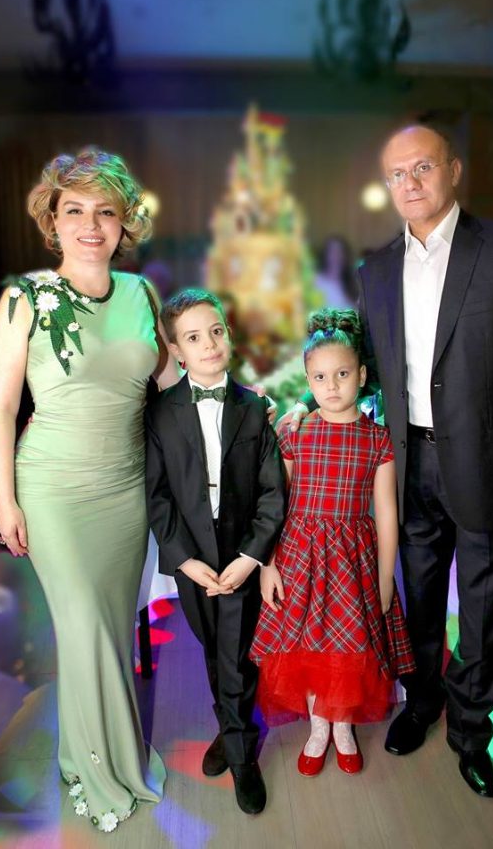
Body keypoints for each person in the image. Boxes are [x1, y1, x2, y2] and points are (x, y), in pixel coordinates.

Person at [283, 125, 493, 798]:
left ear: (453, 170)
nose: (410, 183)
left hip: (492, 467)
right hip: (405, 465)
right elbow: (364, 368)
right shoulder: (375, 269)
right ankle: (423, 700)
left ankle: (470, 730)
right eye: (396, 174)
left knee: (487, 608)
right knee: (418, 600)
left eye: (423, 168)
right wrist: (306, 407)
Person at [0, 148, 176, 831]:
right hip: (54, 491)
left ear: (125, 223)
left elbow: (171, 382)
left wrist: (247, 402)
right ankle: (105, 775)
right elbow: (1, 409)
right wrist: (5, 501)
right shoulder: (26, 298)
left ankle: (85, 755)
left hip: (125, 491)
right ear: (53, 219)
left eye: (106, 212)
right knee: (86, 627)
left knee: (110, 630)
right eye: (75, 210)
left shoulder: (140, 295)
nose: (90, 225)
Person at [250, 308, 415, 777]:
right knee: (304, 646)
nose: (332, 385)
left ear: (361, 375)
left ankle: (342, 725)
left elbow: (386, 512)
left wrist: (386, 576)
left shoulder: (378, 440)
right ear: (307, 381)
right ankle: (318, 725)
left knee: (347, 645)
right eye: (320, 377)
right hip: (299, 557)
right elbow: (273, 505)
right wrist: (267, 564)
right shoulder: (295, 434)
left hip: (351, 562)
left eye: (342, 374)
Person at [145, 288, 287, 815]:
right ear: (176, 350)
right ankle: (231, 727)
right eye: (193, 338)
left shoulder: (253, 408)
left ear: (228, 334)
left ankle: (241, 753)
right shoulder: (160, 414)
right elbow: (156, 495)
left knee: (236, 651)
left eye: (216, 331)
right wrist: (184, 559)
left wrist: (252, 557)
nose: (208, 344)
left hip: (240, 551)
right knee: (214, 647)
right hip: (193, 555)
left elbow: (272, 492)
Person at [315, 235, 358, 308]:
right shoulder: (316, 281)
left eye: (340, 251)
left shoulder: (353, 282)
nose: (336, 255)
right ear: (325, 255)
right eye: (332, 251)